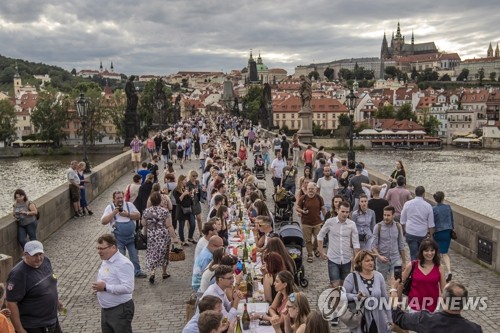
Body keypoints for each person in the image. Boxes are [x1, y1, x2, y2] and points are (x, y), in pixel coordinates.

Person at [317, 201, 360, 326]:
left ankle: (343, 310)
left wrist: (356, 258)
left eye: (347, 212)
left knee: (344, 287)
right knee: (336, 286)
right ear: (337, 210)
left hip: (346, 259)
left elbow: (356, 243)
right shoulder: (330, 222)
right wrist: (321, 251)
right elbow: (320, 236)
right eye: (343, 211)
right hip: (333, 259)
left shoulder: (352, 225)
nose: (345, 214)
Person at [6, 241, 63, 333]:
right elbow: (11, 303)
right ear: (25, 254)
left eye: (40, 254)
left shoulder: (46, 261)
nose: (39, 258)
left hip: (52, 319)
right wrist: (20, 330)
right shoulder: (18, 275)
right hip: (33, 325)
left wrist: (56, 301)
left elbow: (51, 282)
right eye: (35, 255)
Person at [390, 280, 483, 333]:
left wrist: (394, 291)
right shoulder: (474, 329)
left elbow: (398, 317)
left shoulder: (424, 319)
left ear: (443, 300)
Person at [92, 234, 134, 333]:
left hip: (120, 310)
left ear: (113, 248)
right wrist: (99, 289)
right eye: (98, 248)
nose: (99, 251)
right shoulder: (106, 259)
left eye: (102, 248)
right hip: (106, 310)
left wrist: (105, 288)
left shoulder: (123, 264)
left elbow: (128, 288)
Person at [100, 191, 147, 278]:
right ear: (114, 199)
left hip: (131, 237)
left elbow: (138, 215)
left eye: (121, 197)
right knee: (119, 257)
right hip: (118, 239)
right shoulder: (110, 208)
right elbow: (103, 221)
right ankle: (121, 274)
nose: (120, 200)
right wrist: (114, 213)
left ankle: (137, 271)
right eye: (118, 198)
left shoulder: (129, 205)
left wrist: (127, 214)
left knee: (134, 256)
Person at [343, 251, 392, 333]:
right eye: (367, 261)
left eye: (371, 260)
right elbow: (343, 295)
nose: (371, 263)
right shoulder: (351, 277)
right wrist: (356, 297)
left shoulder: (378, 276)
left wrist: (390, 318)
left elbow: (384, 299)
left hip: (378, 319)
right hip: (360, 319)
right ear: (359, 263)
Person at [141, 192, 180, 283]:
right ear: (160, 201)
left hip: (152, 236)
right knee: (165, 254)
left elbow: (143, 223)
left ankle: (152, 272)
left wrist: (150, 223)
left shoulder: (146, 211)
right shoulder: (164, 211)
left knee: (151, 253)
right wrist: (174, 237)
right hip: (163, 235)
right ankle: (164, 272)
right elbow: (169, 225)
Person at [400, 238, 446, 312]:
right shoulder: (412, 265)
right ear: (421, 252)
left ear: (435, 251)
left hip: (432, 306)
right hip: (414, 306)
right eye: (426, 250)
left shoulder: (440, 267)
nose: (429, 253)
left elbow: (443, 288)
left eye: (432, 250)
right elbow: (400, 281)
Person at [372, 206, 406, 280]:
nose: (386, 217)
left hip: (395, 259)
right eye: (384, 215)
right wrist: (379, 256)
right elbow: (373, 245)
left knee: (396, 282)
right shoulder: (378, 227)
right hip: (382, 261)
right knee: (380, 282)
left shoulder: (398, 226)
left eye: (388, 215)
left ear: (393, 215)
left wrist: (404, 262)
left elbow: (401, 245)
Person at [401, 186, 435, 260]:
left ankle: (414, 269)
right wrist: (431, 236)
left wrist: (404, 230)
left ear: (415, 193)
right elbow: (431, 224)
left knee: (413, 254)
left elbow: (402, 220)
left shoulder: (407, 204)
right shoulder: (428, 206)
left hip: (410, 232)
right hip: (422, 233)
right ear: (423, 194)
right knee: (422, 254)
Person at [296, 182, 326, 263]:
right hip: (306, 222)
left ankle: (314, 248)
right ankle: (310, 254)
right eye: (309, 189)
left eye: (312, 189)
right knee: (308, 240)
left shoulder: (319, 198)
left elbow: (323, 208)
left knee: (318, 237)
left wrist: (326, 219)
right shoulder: (303, 198)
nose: (311, 190)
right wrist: (302, 211)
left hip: (317, 222)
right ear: (307, 189)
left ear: (315, 189)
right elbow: (297, 207)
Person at [432, 191, 454, 282]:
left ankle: (440, 271)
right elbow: (452, 219)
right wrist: (452, 229)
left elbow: (432, 222)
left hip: (438, 232)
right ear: (443, 198)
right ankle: (449, 271)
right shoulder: (448, 207)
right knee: (445, 252)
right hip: (448, 231)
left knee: (437, 252)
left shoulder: (433, 209)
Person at [173, 174, 196, 246]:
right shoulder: (176, 190)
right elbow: (178, 201)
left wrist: (191, 196)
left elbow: (190, 199)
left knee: (193, 224)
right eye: (185, 180)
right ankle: (182, 240)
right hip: (181, 210)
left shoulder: (186, 188)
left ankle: (190, 237)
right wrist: (183, 194)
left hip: (189, 209)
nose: (186, 181)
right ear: (181, 181)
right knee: (181, 226)